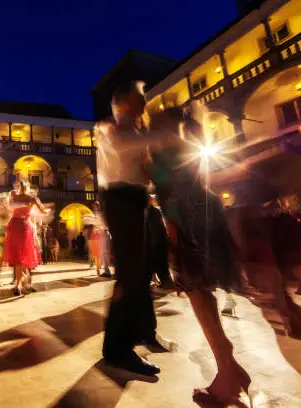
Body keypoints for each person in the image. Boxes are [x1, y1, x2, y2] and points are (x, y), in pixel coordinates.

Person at [146, 106, 251, 404]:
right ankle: (228, 370)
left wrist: (175, 247)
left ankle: (228, 377)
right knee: (206, 296)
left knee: (200, 297)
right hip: (209, 215)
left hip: (188, 226)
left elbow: (169, 203)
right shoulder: (193, 138)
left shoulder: (162, 155)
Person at [94, 82, 175, 377]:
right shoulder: (112, 129)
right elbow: (123, 147)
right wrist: (162, 133)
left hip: (135, 198)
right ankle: (117, 349)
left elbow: (143, 167)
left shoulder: (136, 130)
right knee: (130, 273)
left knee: (141, 269)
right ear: (124, 102)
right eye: (140, 97)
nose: (145, 102)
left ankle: (144, 331)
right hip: (120, 197)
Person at [3, 180, 50, 296]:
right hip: (25, 226)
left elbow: (9, 209)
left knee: (18, 257)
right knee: (24, 256)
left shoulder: (13, 197)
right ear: (28, 188)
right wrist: (48, 210)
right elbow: (43, 211)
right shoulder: (31, 198)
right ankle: (22, 284)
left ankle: (20, 284)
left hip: (14, 225)